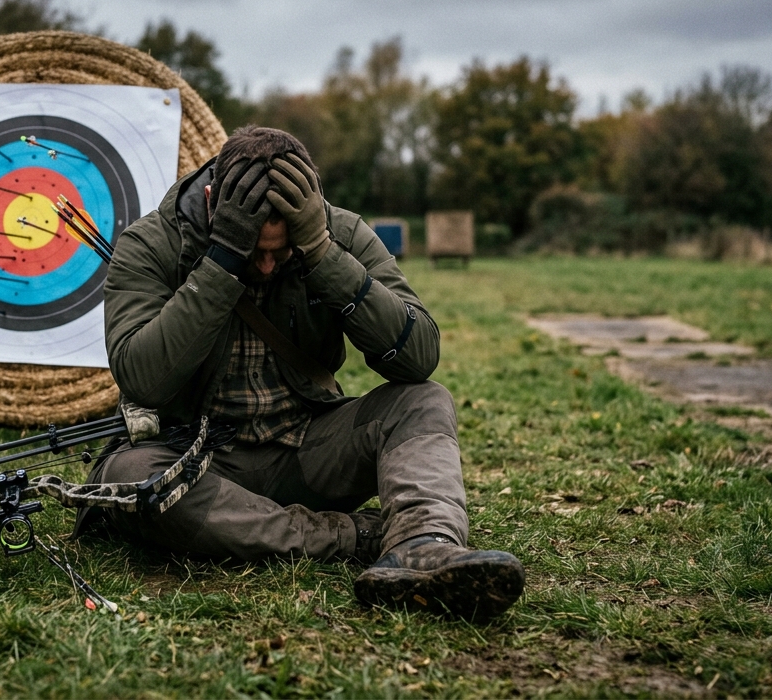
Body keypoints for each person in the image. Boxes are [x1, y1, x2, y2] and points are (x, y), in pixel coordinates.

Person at [82, 126, 524, 621]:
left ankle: (425, 546)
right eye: (257, 251)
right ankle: (361, 537)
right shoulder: (151, 242)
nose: (268, 266)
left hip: (307, 449)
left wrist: (322, 253)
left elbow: (417, 355)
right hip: (198, 463)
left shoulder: (340, 232)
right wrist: (223, 260)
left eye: (283, 250)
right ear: (213, 203)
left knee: (424, 400)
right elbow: (142, 379)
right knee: (127, 477)